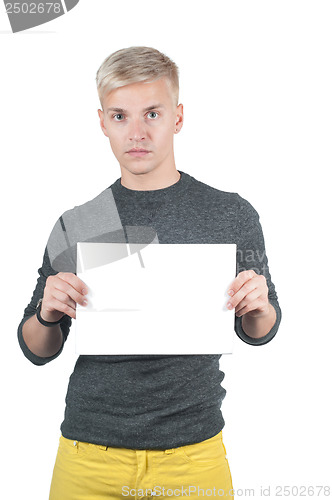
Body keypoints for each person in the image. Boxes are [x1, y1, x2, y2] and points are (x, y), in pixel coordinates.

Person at [18, 46, 282, 500]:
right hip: (88, 454)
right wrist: (46, 313)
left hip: (193, 453)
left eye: (152, 114)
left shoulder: (229, 213)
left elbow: (260, 330)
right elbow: (36, 350)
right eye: (120, 116)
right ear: (102, 122)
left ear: (178, 117)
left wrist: (258, 305)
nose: (136, 132)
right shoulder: (78, 222)